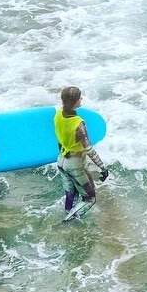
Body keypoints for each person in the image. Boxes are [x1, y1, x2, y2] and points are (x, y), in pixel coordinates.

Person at [54, 86, 108, 217]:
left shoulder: (58, 115)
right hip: (75, 165)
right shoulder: (78, 124)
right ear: (76, 101)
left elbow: (59, 139)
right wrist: (103, 168)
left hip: (61, 160)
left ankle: (67, 213)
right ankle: (68, 222)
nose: (81, 99)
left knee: (71, 194)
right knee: (90, 199)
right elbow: (89, 149)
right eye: (80, 97)